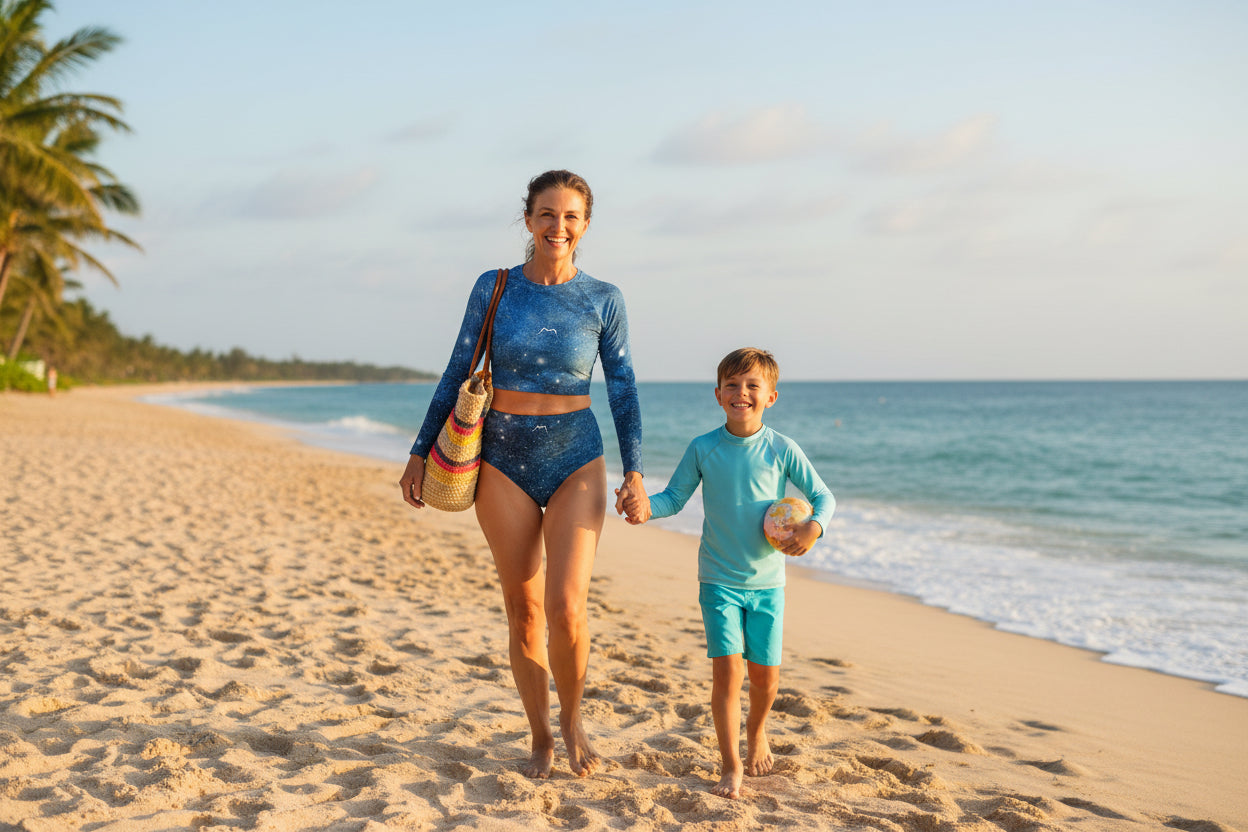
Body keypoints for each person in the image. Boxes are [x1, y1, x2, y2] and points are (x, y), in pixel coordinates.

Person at [399, 170, 649, 779]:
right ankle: (540, 736)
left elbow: (623, 387)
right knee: (524, 609)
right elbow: (457, 367)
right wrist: (418, 450)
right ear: (528, 219)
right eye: (546, 214)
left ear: (584, 225)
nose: (557, 226)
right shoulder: (494, 287)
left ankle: (572, 723)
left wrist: (635, 470)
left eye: (569, 217)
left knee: (567, 606)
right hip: (501, 460)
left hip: (576, 459)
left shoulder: (602, 298)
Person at [620, 348, 833, 799]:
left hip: (768, 584)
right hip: (718, 579)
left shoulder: (781, 448)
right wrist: (644, 509)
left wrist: (813, 527)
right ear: (718, 395)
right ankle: (730, 765)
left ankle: (757, 732)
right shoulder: (704, 447)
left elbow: (823, 496)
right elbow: (673, 499)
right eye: (733, 386)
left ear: (771, 396)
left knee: (766, 680)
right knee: (727, 673)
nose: (742, 394)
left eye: (752, 386)